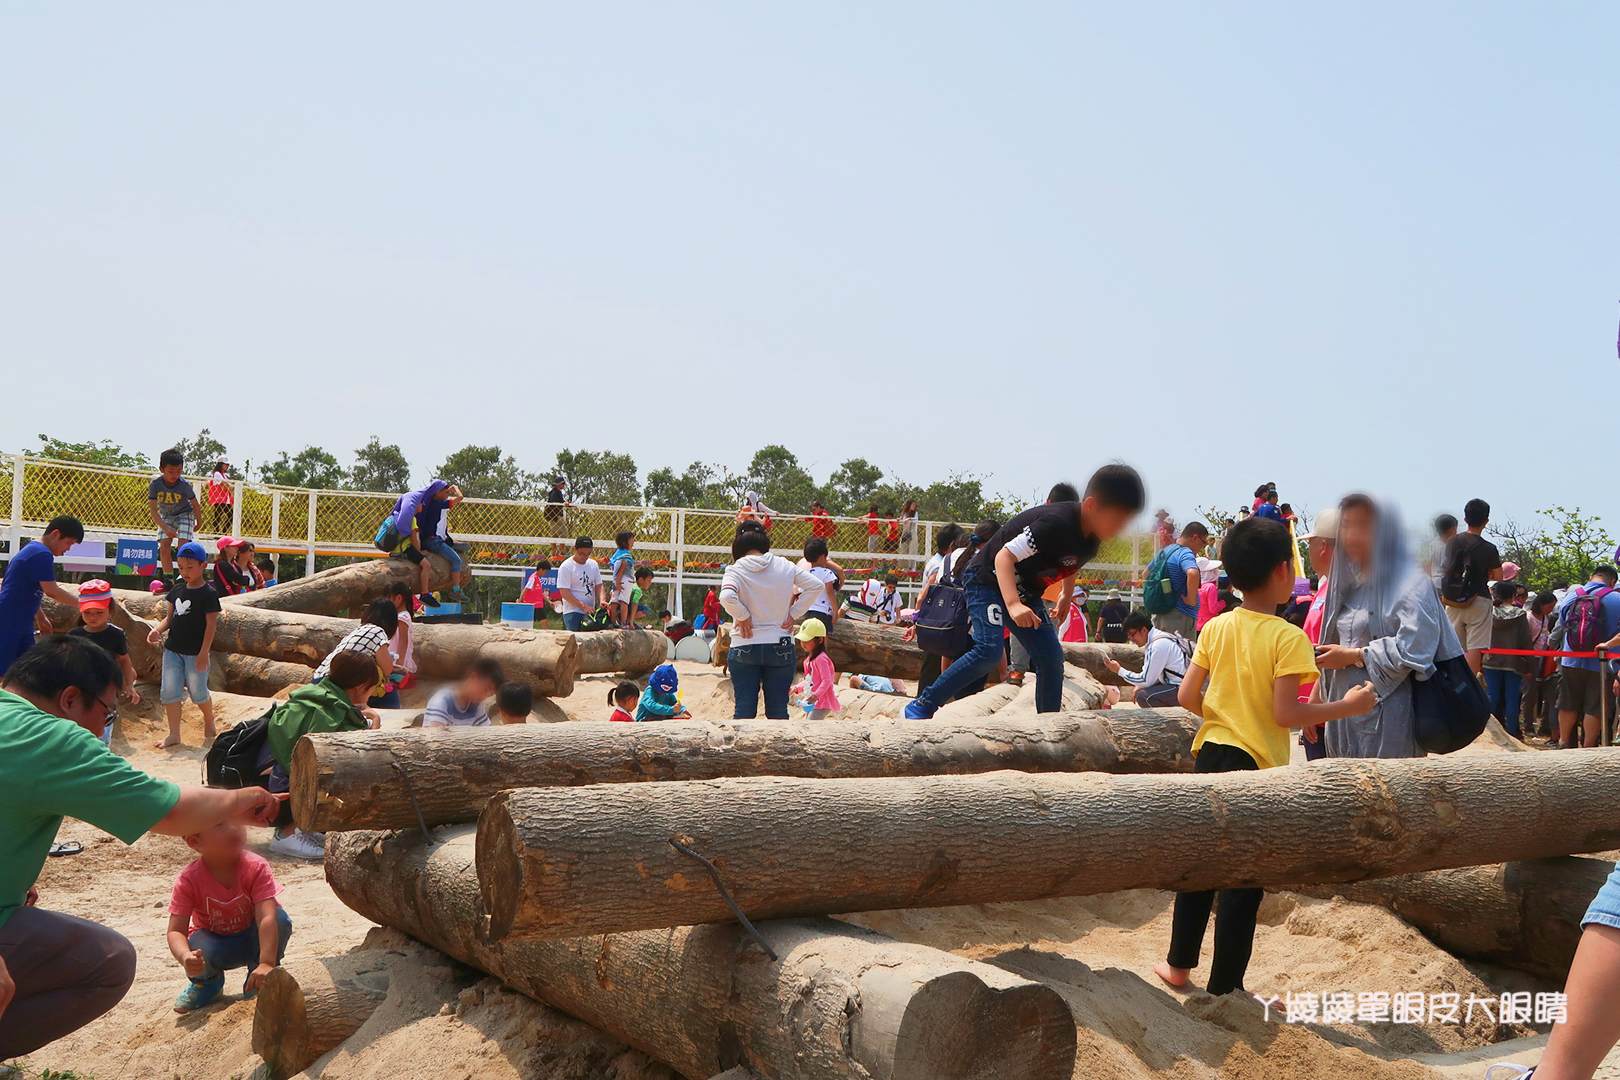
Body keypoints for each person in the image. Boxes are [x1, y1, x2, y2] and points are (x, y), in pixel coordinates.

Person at [0, 636, 283, 1059]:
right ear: (71, 699)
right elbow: (165, 810)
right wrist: (243, 798)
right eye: (107, 712)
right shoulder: (50, 737)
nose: (102, 729)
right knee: (109, 964)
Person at [1155, 516, 1375, 997]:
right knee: (1243, 878)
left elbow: (1188, 696)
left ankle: (1177, 967)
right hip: (1255, 769)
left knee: (1199, 866)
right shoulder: (1287, 636)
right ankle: (1226, 986)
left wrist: (1224, 714)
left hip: (1210, 754)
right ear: (1282, 571)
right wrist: (1348, 706)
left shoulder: (1216, 626)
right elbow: (1284, 714)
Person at [905, 465, 1145, 719]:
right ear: (1091, 505)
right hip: (986, 579)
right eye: (1118, 520)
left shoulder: (1092, 540)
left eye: (1126, 522)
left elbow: (1070, 563)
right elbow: (1004, 556)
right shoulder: (1055, 523)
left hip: (1024, 590)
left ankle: (1048, 724)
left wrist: (1065, 596)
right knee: (988, 651)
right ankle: (922, 704)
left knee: (1051, 659)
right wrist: (1013, 604)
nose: (1121, 529)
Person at [1314, 495, 1460, 759]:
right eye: (1346, 525)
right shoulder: (1344, 584)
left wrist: (1355, 656)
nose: (1353, 535)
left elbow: (1418, 646)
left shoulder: (1411, 583)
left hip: (1391, 719)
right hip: (1343, 719)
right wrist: (1317, 699)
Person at [263, 650, 382, 859]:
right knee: (356, 777)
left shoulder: (314, 694)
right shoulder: (338, 714)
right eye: (372, 689)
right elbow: (366, 757)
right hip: (291, 795)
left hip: (276, 779)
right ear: (361, 686)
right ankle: (288, 833)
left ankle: (306, 828)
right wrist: (375, 720)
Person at [166, 819, 291, 1013]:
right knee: (198, 944)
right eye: (219, 824)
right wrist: (185, 957)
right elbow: (175, 931)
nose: (234, 828)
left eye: (236, 819)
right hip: (216, 945)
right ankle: (207, 984)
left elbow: (266, 917)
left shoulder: (256, 866)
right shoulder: (189, 879)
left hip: (254, 938)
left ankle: (259, 978)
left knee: (279, 918)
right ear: (194, 841)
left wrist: (267, 962)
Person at [720, 523, 827, 720]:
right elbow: (816, 586)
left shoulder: (735, 570)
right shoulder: (784, 565)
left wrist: (743, 616)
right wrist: (793, 613)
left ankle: (743, 750)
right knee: (778, 712)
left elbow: (726, 596)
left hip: (745, 644)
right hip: (780, 644)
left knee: (743, 711)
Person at [145, 541, 220, 750]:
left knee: (197, 692)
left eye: (190, 567)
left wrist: (204, 652)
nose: (185, 572)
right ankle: (174, 734)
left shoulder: (209, 594)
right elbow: (169, 619)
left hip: (196, 653)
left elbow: (211, 625)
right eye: (181, 567)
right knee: (169, 691)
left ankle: (209, 718)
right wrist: (156, 630)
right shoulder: (177, 591)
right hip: (172, 650)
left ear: (203, 566)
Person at [0, 515, 83, 676]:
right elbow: (52, 591)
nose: (68, 549)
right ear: (55, 534)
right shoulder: (41, 554)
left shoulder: (35, 550)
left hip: (21, 623)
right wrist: (84, 604)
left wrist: (40, 616)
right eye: (69, 543)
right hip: (8, 622)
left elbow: (22, 588)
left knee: (23, 673)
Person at [1553, 566, 1620, 750]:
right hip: (1602, 661)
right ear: (1612, 582)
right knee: (1595, 706)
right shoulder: (1616, 598)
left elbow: (1563, 624)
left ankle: (1564, 742)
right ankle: (1588, 747)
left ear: (1592, 577)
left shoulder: (1572, 596)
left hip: (1571, 658)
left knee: (1567, 702)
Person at [67, 579, 140, 745]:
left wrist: (130, 685)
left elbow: (124, 660)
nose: (93, 617)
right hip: (81, 690)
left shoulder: (116, 635)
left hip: (107, 690)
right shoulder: (74, 635)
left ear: (110, 611)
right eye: (88, 612)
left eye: (99, 612)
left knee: (103, 735)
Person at [1439, 498, 1503, 676]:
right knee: (1475, 646)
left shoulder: (1453, 541)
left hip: (1452, 598)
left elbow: (1446, 566)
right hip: (1478, 598)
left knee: (1452, 644)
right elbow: (1498, 577)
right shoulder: (1489, 548)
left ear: (1465, 519)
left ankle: (1452, 681)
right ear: (1486, 521)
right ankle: (1469, 685)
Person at [1295, 508, 1339, 760]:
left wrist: (1312, 707)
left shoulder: (1339, 591)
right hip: (1318, 707)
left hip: (1325, 710)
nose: (1308, 551)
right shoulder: (1326, 587)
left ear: (1322, 546)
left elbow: (1331, 651)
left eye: (1309, 544)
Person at [389, 480, 467, 605]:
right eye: (446, 492)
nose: (448, 494)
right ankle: (455, 590)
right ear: (438, 493)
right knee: (457, 560)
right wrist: (456, 488)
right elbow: (460, 497)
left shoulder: (432, 504)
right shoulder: (438, 504)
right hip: (434, 541)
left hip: (433, 539)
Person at [1106, 610, 1192, 708]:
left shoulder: (1157, 646)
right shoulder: (1160, 638)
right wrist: (1140, 685)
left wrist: (1119, 670)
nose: (1131, 639)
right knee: (1143, 692)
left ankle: (1168, 721)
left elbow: (1146, 680)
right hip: (1182, 686)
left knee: (1144, 697)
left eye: (1132, 634)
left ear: (1144, 630)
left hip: (1182, 690)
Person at [310, 597, 398, 688]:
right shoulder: (378, 632)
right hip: (334, 685)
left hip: (319, 678)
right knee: (389, 690)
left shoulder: (359, 630)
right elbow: (387, 670)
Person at [1483, 579, 1533, 738]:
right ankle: (1512, 731)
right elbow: (1526, 640)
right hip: (1513, 661)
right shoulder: (1520, 614)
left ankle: (1488, 731)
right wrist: (1531, 666)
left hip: (1490, 659)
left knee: (1492, 694)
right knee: (1512, 697)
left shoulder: (1488, 613)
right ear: (1513, 596)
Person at [148, 449, 202, 582]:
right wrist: (166, 528)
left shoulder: (184, 485)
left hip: (185, 514)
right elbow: (154, 511)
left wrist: (199, 522)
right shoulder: (155, 485)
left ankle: (183, 577)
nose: (175, 475)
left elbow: (195, 504)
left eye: (178, 471)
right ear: (162, 469)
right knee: (164, 545)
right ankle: (168, 578)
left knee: (183, 546)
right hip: (166, 515)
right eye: (171, 471)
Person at [1152, 523, 1208, 639]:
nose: (1202, 547)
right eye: (1203, 542)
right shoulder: (1185, 553)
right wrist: (1190, 600)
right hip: (1180, 617)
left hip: (1159, 615)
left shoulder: (1165, 551)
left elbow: (1146, 574)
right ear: (1195, 538)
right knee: (1182, 655)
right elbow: (1192, 573)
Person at [422, 657, 505, 728]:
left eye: (489, 695)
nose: (484, 696)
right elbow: (434, 740)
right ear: (473, 677)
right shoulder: (441, 701)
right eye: (485, 689)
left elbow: (486, 734)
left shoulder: (477, 705)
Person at [1521, 590, 1557, 739]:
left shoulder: (1547, 617)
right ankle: (1528, 725)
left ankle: (1545, 726)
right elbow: (1523, 641)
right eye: (1549, 606)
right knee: (1530, 694)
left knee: (1548, 694)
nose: (1551, 609)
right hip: (1532, 659)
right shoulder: (1528, 618)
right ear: (1541, 605)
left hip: (1545, 658)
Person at [792, 618, 841, 720]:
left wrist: (816, 695)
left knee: (810, 726)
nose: (803, 643)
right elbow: (809, 680)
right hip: (812, 701)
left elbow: (827, 680)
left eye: (807, 640)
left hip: (821, 702)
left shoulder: (821, 659)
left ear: (819, 640)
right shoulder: (808, 660)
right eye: (802, 640)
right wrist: (796, 688)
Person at [377, 581, 416, 707]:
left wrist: (398, 665)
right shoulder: (402, 616)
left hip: (397, 662)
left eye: (389, 598)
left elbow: (403, 641)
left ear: (399, 598)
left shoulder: (401, 617)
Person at [556, 537, 605, 632]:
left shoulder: (593, 564)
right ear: (575, 549)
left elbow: (599, 585)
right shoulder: (566, 567)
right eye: (581, 554)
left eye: (588, 554)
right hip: (573, 612)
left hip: (590, 611)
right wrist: (583, 606)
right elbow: (565, 593)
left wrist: (602, 600)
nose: (585, 557)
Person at [798, 538, 844, 634]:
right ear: (823, 557)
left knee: (810, 637)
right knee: (823, 638)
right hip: (823, 613)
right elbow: (830, 593)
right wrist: (836, 611)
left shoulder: (806, 574)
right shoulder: (827, 573)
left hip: (809, 611)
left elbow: (801, 594)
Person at [608, 531, 636, 628]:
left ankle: (612, 621)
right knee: (624, 601)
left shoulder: (617, 553)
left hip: (616, 580)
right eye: (631, 540)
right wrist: (619, 582)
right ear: (625, 543)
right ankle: (623, 622)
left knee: (614, 600)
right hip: (626, 580)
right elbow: (622, 569)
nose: (633, 543)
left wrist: (616, 581)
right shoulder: (626, 555)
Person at [1194, 557, 1224, 636]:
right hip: (1209, 625)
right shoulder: (1210, 587)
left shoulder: (1194, 586)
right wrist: (1222, 603)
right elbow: (1213, 609)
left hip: (1196, 625)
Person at [205, 457, 234, 536]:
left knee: (227, 515)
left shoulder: (224, 475)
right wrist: (228, 487)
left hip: (225, 499)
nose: (227, 466)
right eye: (225, 464)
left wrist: (228, 487)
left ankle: (222, 532)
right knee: (218, 516)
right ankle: (217, 532)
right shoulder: (217, 474)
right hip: (219, 498)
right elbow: (224, 485)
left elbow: (227, 486)